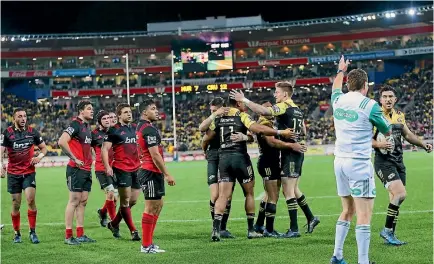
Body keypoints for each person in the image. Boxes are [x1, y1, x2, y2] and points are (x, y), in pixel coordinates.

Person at [230, 82, 320, 237]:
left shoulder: (283, 107)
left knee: (287, 191)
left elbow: (264, 110)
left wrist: (244, 100)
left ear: (285, 94)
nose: (275, 95)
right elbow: (303, 131)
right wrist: (294, 139)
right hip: (286, 154)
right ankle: (309, 218)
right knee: (289, 191)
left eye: (277, 92)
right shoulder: (297, 109)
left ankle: (293, 229)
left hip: (290, 153)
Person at [203, 96, 294, 241]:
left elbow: (206, 135)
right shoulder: (241, 115)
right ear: (238, 103)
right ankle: (251, 230)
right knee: (249, 194)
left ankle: (216, 230)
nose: (245, 106)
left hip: (224, 160)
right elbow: (256, 128)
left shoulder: (219, 118)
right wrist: (280, 132)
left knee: (223, 196)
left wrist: (205, 151)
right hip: (240, 158)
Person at [329, 55, 392, 264]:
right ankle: (363, 262)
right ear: (365, 85)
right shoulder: (370, 105)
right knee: (364, 215)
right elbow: (388, 129)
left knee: (347, 210)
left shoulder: (337, 100)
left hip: (339, 162)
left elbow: (335, 87)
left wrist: (341, 70)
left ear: (349, 83)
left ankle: (337, 256)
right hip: (358, 163)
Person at [372, 86, 432, 245]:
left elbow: (408, 135)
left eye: (390, 96)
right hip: (383, 162)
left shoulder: (399, 116)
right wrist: (379, 145)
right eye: (384, 97)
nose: (388, 99)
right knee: (400, 193)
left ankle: (391, 235)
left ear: (396, 99)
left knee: (395, 197)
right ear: (380, 100)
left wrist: (422, 144)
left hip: (399, 161)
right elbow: (366, 140)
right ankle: (386, 230)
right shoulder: (375, 116)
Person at [252, 101, 307, 238]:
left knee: (268, 196)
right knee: (273, 197)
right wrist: (291, 146)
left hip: (270, 162)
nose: (272, 113)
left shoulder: (267, 123)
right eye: (268, 110)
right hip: (268, 162)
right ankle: (269, 230)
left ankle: (259, 224)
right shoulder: (265, 124)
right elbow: (272, 142)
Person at [0, 108, 47, 244]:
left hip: (28, 172)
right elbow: (1, 151)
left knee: (30, 200)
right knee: (16, 204)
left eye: (25, 116)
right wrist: (1, 165)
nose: (23, 119)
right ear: (14, 118)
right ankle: (17, 233)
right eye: (20, 116)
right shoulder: (7, 133)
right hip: (13, 174)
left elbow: (44, 148)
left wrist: (39, 157)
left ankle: (32, 232)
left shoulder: (32, 132)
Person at [136, 99, 176, 254]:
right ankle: (146, 246)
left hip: (151, 171)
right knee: (151, 207)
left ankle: (149, 243)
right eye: (153, 109)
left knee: (158, 205)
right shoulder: (149, 129)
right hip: (150, 171)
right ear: (145, 112)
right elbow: (155, 155)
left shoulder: (143, 127)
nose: (157, 111)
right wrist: (167, 174)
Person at [58, 101, 96, 245]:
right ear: (81, 111)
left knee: (83, 201)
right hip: (75, 168)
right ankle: (68, 236)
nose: (92, 111)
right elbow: (62, 141)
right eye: (89, 109)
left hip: (86, 169)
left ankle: (80, 234)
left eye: (92, 109)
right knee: (74, 201)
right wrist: (74, 158)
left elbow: (86, 146)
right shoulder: (75, 124)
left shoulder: (86, 127)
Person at [102, 103, 141, 241]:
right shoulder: (114, 130)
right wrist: (107, 167)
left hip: (136, 168)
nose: (129, 114)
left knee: (133, 201)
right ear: (119, 115)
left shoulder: (134, 128)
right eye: (125, 112)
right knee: (124, 202)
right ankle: (133, 231)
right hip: (122, 169)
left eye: (130, 112)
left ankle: (113, 223)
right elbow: (105, 149)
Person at [199, 97, 235, 239]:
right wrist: (205, 151)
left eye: (215, 110)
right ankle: (216, 227)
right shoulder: (213, 120)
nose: (213, 112)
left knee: (228, 195)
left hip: (227, 157)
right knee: (215, 195)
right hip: (214, 157)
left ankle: (222, 228)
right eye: (212, 110)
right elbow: (202, 131)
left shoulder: (232, 118)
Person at [92, 110, 118, 227]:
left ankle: (103, 212)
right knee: (111, 193)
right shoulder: (94, 134)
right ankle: (114, 224)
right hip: (101, 169)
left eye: (109, 118)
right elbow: (87, 149)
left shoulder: (114, 133)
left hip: (114, 169)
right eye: (104, 119)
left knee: (115, 199)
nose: (107, 120)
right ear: (99, 122)